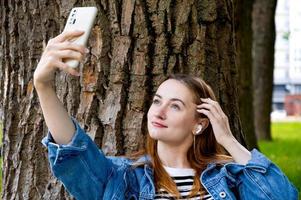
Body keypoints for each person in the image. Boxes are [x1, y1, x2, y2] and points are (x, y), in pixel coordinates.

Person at [34, 30, 298, 200]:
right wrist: (43, 86)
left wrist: (228, 140)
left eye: (175, 106)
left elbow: (281, 197)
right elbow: (73, 151)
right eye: (157, 101)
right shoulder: (123, 178)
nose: (158, 111)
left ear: (199, 124)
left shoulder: (229, 177)